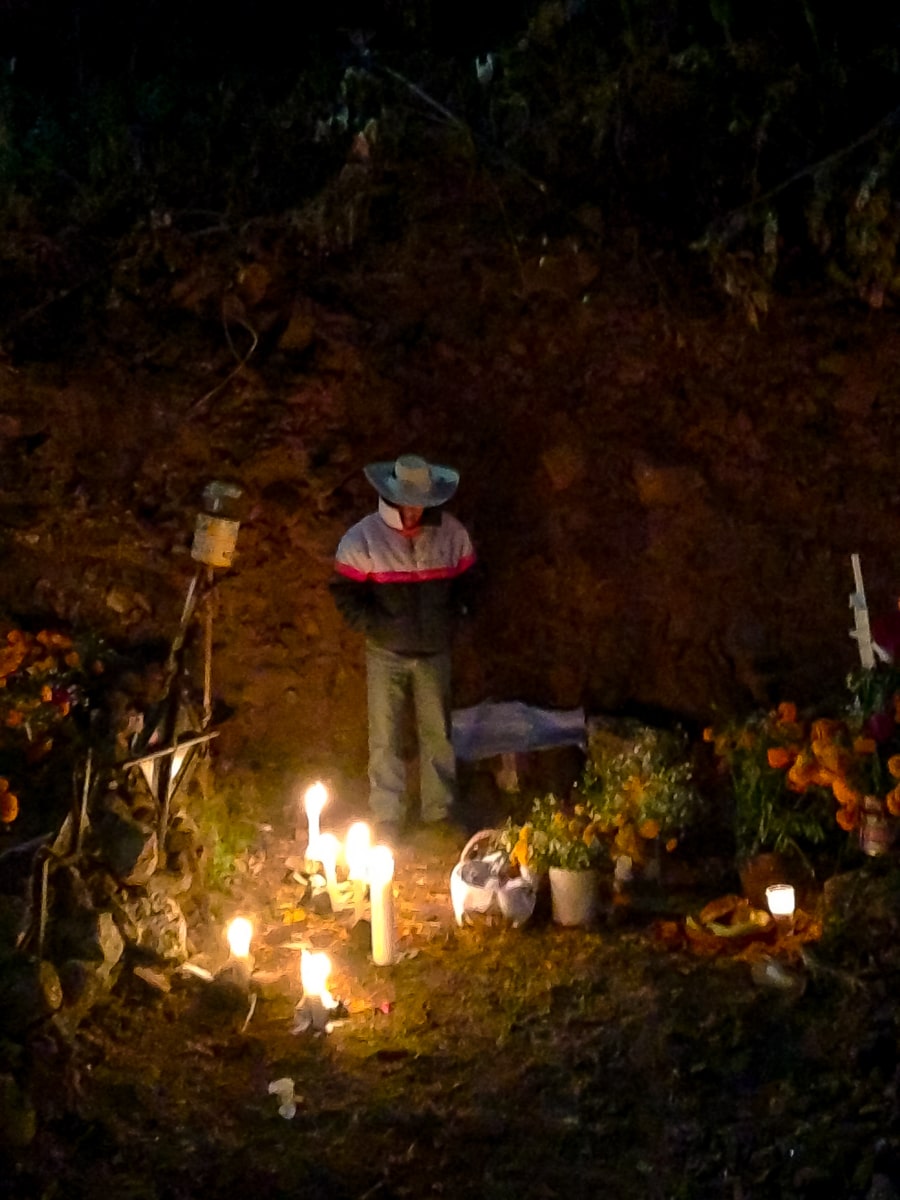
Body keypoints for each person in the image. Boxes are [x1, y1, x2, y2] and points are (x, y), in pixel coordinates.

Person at [329, 454, 476, 839]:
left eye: (421, 503)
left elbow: (470, 581)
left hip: (434, 649)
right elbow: (344, 593)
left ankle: (439, 813)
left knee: (438, 733)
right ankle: (387, 816)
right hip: (386, 652)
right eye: (408, 503)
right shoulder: (362, 539)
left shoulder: (451, 533)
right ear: (391, 497)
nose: (414, 511)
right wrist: (375, 627)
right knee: (385, 734)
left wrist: (456, 616)